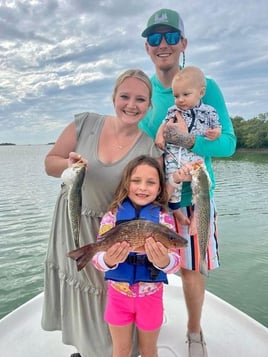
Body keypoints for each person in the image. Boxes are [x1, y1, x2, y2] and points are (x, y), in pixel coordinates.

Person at [41, 69, 163, 357]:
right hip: (71, 221)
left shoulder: (150, 148)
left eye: (140, 99)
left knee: (109, 293)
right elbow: (50, 163)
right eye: (125, 96)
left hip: (112, 231)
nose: (131, 105)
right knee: (76, 286)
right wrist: (68, 166)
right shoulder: (84, 124)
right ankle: (84, 349)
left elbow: (156, 193)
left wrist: (177, 211)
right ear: (113, 97)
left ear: (149, 106)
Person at [138, 8, 236, 357]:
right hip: (150, 194)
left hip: (195, 192)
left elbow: (228, 144)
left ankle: (194, 333)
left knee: (193, 268)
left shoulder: (204, 87)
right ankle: (145, 326)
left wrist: (189, 140)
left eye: (169, 37)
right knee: (146, 260)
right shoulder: (142, 90)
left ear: (183, 43)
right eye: (154, 38)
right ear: (147, 47)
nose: (161, 44)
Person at [91, 155, 181, 357]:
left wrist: (163, 261)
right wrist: (109, 260)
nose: (143, 187)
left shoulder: (163, 218)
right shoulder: (112, 216)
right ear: (126, 184)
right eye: (136, 181)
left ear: (159, 189)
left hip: (151, 297)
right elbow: (98, 259)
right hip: (117, 297)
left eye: (151, 182)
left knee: (149, 350)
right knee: (121, 351)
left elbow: (175, 261)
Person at [155, 66, 221, 226]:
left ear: (201, 93)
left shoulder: (209, 111)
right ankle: (176, 210)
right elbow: (163, 124)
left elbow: (217, 126)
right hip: (173, 154)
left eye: (186, 94)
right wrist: (159, 136)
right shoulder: (173, 110)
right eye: (176, 96)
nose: (180, 100)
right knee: (172, 181)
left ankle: (199, 212)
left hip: (195, 156)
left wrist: (216, 132)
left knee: (201, 182)